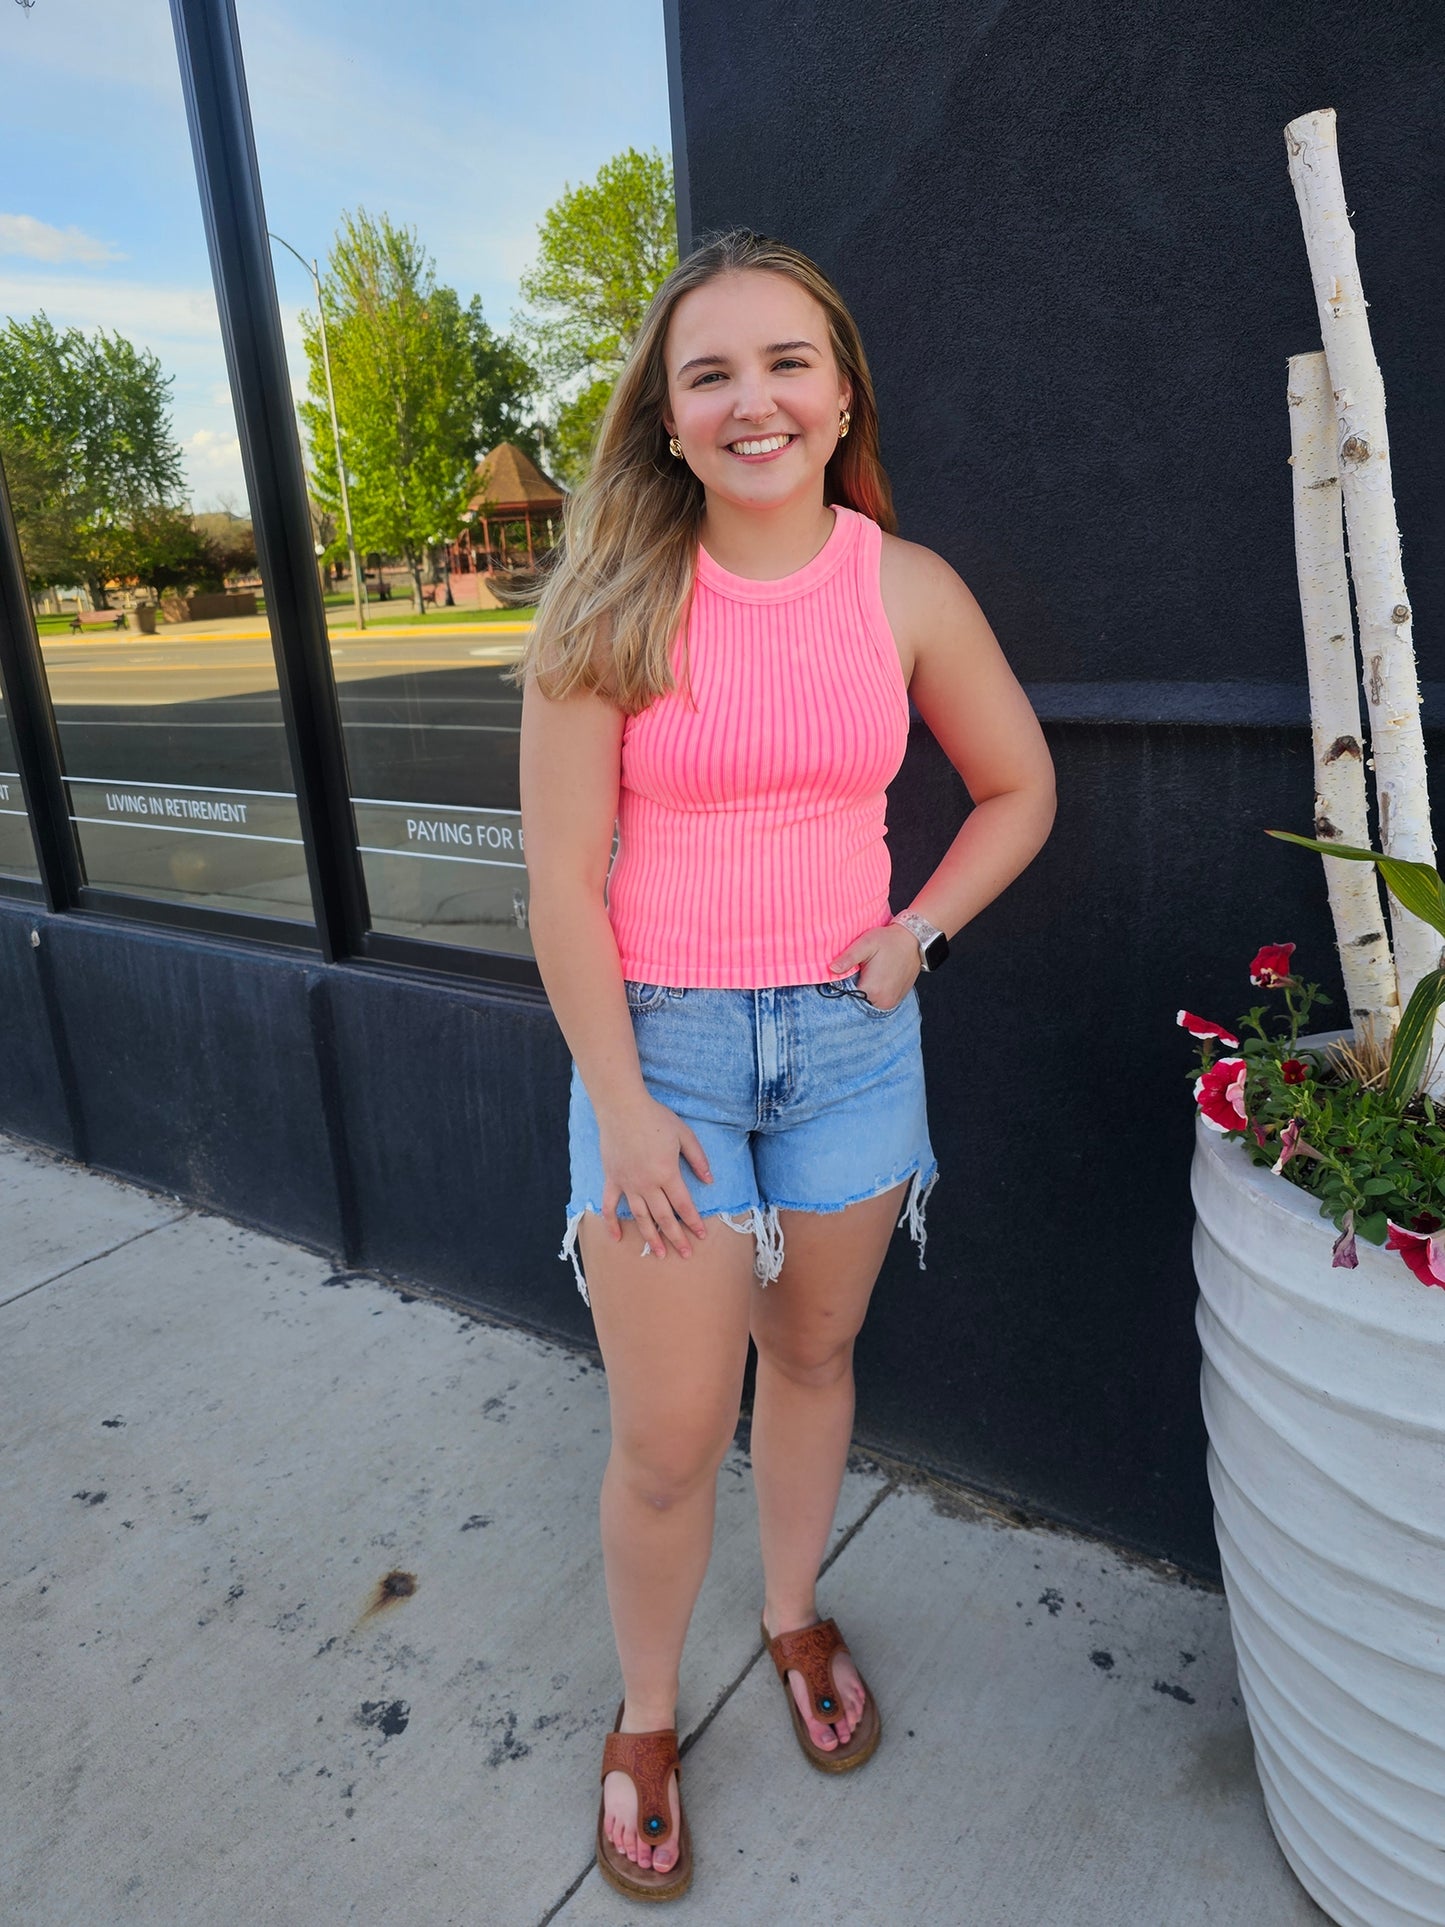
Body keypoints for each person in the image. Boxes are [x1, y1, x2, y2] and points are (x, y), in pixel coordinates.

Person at [517, 229, 1055, 1902]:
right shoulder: (610, 598)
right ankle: (652, 1711)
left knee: (810, 1363)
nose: (751, 400)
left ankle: (790, 1610)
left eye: (784, 364)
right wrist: (617, 1103)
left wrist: (920, 934)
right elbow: (555, 884)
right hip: (658, 1056)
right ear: (665, 421)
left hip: (847, 1050)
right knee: (671, 1438)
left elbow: (1015, 787)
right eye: (709, 374)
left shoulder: (904, 586)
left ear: (837, 399)